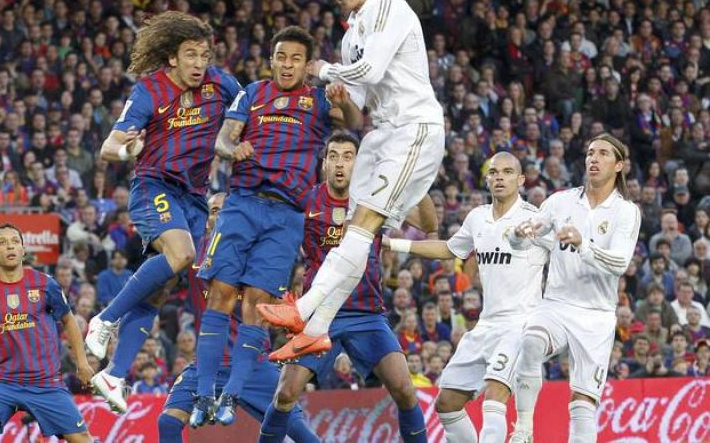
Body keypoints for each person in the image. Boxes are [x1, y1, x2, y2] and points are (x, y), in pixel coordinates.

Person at [258, 0, 446, 362]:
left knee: (361, 227)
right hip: (382, 135)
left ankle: (303, 311)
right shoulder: (351, 37)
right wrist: (340, 97)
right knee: (355, 234)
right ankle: (318, 329)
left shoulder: (391, 10)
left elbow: (372, 71)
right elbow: (358, 105)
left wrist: (325, 70)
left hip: (414, 129)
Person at [191, 25, 361, 426]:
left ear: (306, 64)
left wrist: (342, 99)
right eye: (281, 57)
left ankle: (231, 395)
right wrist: (236, 147)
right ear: (271, 60)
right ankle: (203, 394)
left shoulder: (318, 100)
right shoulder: (251, 94)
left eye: (296, 59)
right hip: (242, 204)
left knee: (256, 303)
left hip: (286, 215)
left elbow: (353, 122)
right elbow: (222, 141)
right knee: (221, 293)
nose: (287, 65)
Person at [85, 11, 242, 412]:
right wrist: (127, 150)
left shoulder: (220, 84)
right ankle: (105, 318)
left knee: (159, 290)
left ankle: (114, 374)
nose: (198, 63)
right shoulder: (148, 91)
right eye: (190, 55)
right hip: (154, 185)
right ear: (172, 57)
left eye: (203, 55)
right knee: (182, 255)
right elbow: (109, 145)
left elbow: (246, 114)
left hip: (193, 196)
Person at [258, 131, 431, 443]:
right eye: (333, 156)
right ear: (324, 164)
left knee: (405, 390)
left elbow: (429, 224)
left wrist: (412, 176)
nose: (340, 164)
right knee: (285, 394)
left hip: (367, 313)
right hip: (321, 316)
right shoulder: (306, 200)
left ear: (359, 163)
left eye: (348, 157)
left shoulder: (377, 198)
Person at [382, 152, 548, 442]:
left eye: (508, 172)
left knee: (495, 396)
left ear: (520, 179)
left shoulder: (535, 220)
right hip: (486, 325)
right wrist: (393, 243)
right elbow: (449, 248)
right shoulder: (478, 218)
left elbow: (565, 254)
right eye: (494, 172)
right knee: (446, 405)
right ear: (487, 179)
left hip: (521, 323)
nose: (500, 177)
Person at [509, 134, 641, 443]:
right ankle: (524, 428)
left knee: (583, 405)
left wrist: (584, 244)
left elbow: (620, 263)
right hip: (557, 303)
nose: (593, 159)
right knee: (530, 342)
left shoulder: (626, 211)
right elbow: (527, 236)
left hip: (596, 315)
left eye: (603, 154)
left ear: (618, 165)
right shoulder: (560, 201)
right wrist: (518, 234)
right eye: (590, 152)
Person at [158, 192, 319, 443]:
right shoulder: (192, 252)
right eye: (212, 211)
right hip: (207, 365)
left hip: (254, 364)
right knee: (167, 422)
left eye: (224, 210)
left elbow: (276, 308)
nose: (218, 215)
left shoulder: (258, 256)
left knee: (302, 433)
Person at [0, 224, 93, 442]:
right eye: (2, 242)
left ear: (23, 249)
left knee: (83, 439)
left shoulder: (45, 284)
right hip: (1, 381)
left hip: (45, 382)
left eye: (14, 242)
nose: (9, 246)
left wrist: (82, 362)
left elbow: (69, 321)